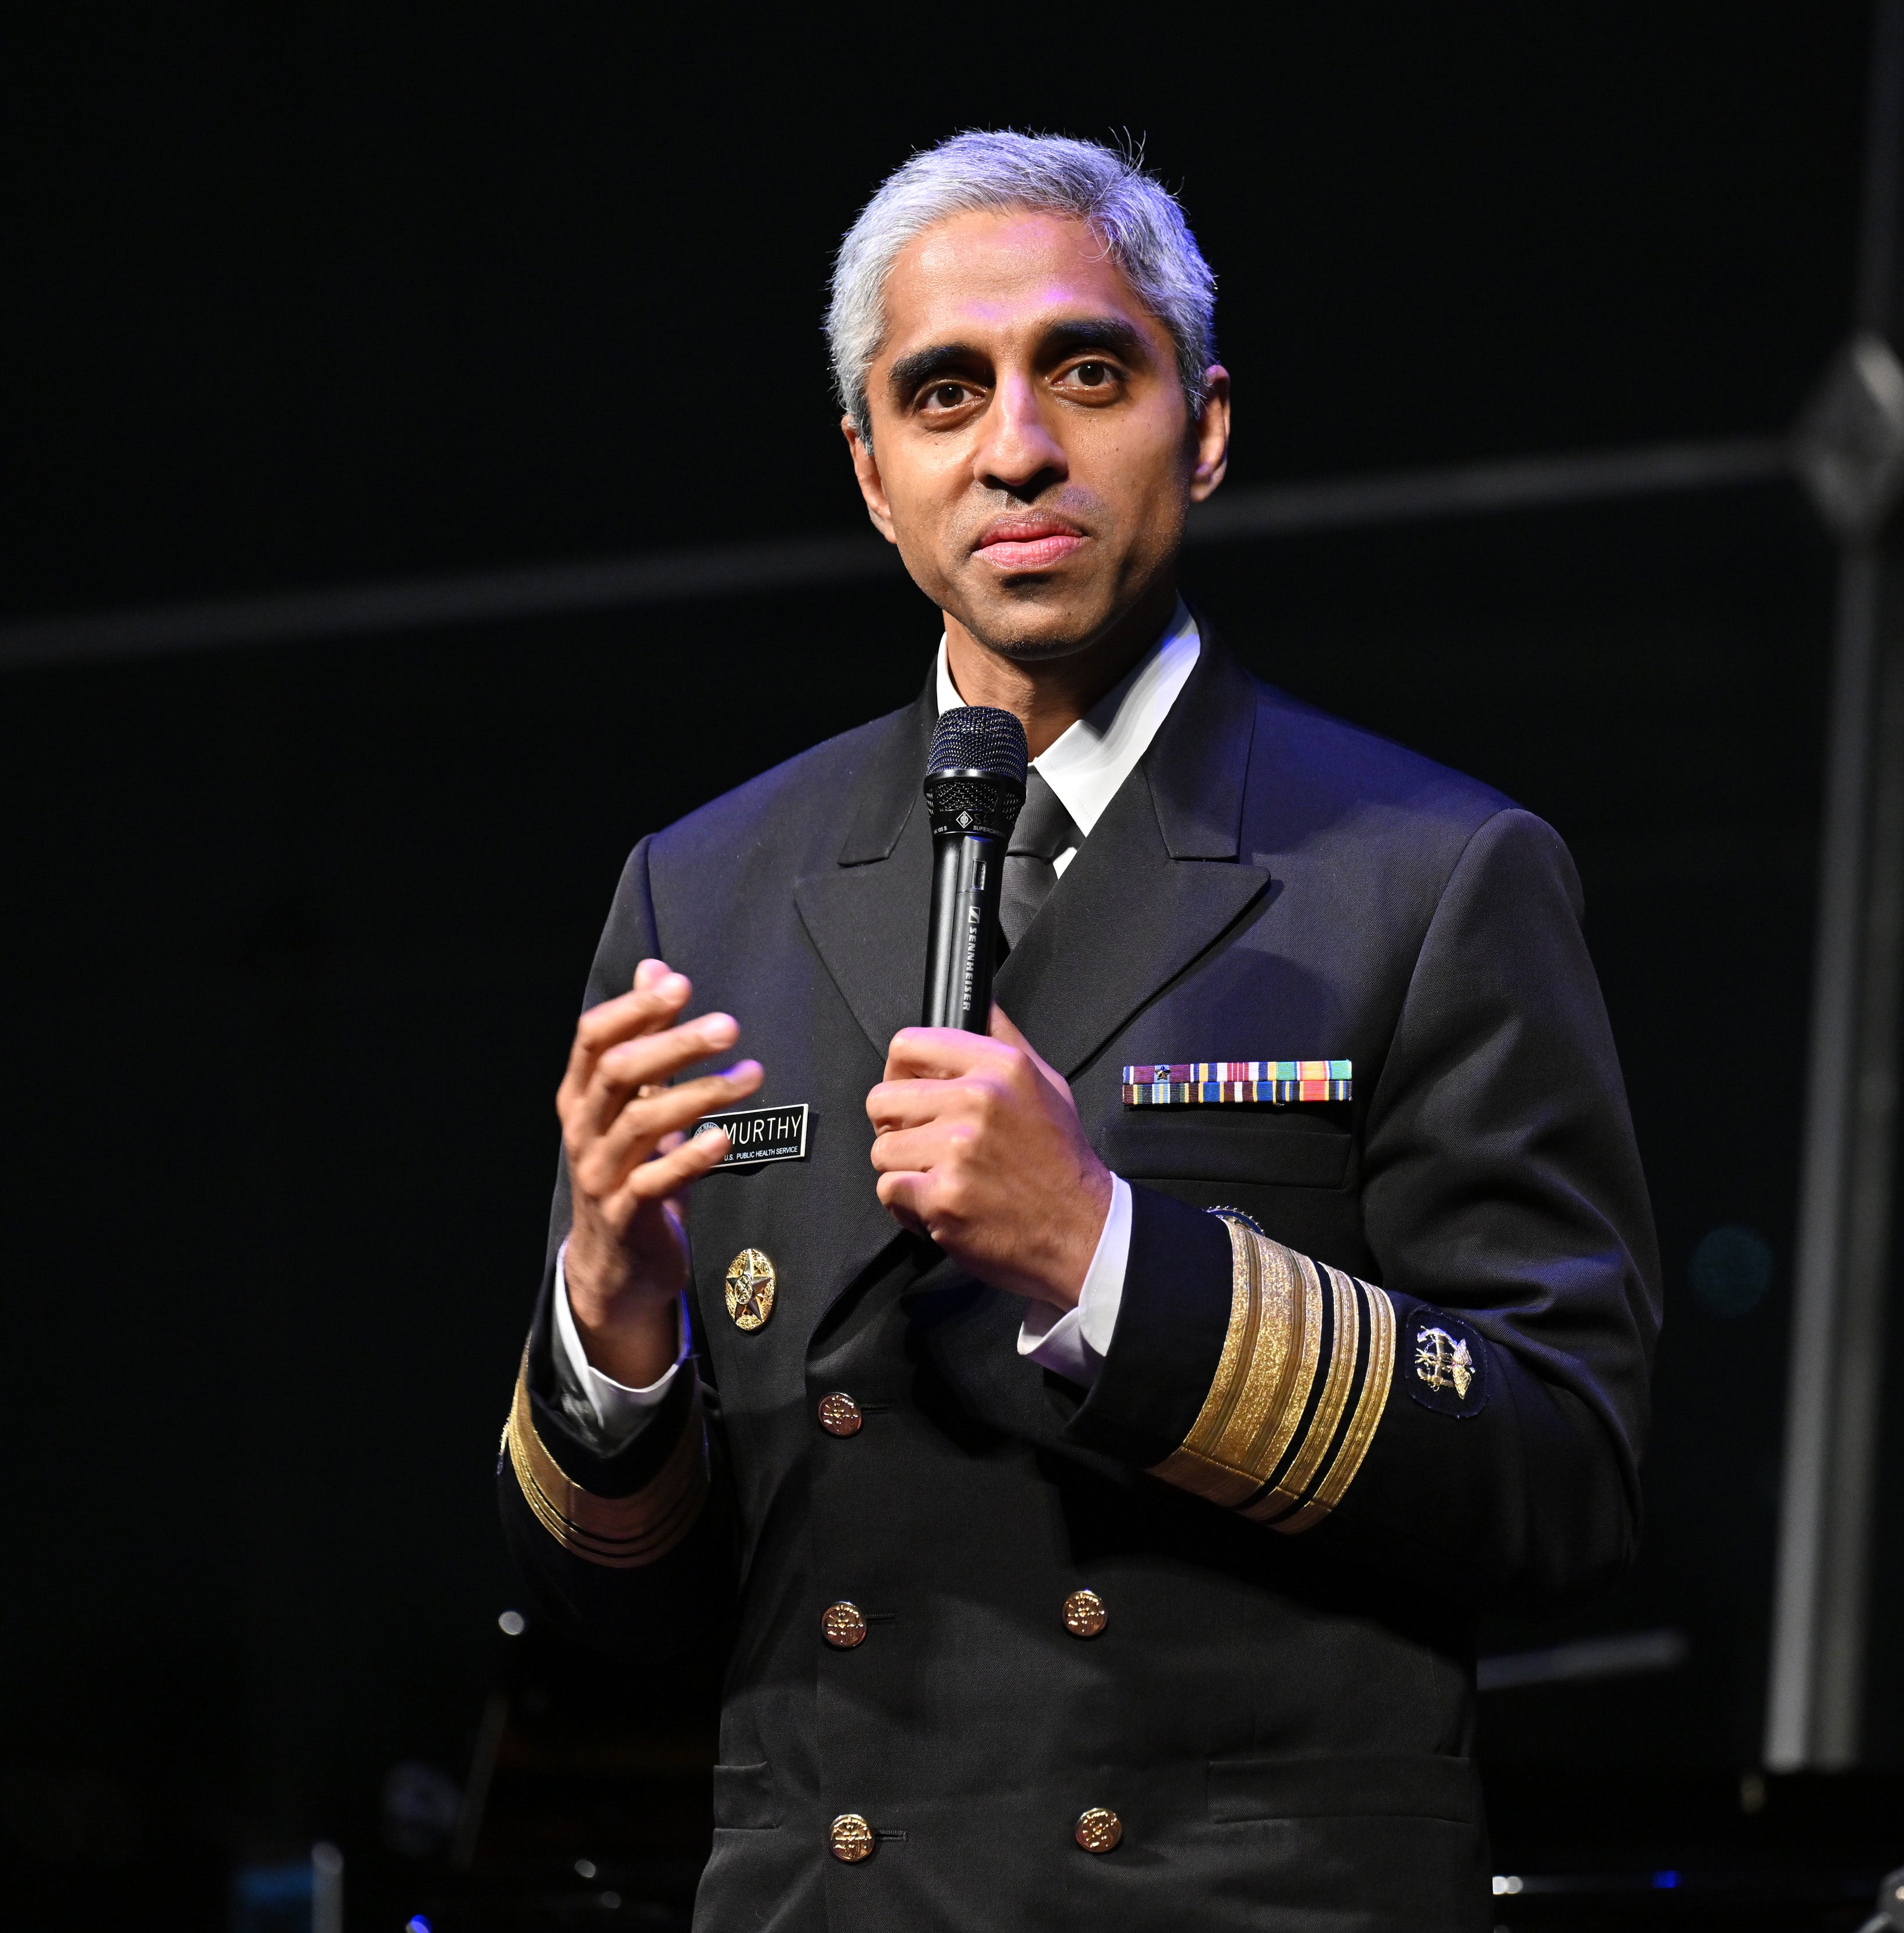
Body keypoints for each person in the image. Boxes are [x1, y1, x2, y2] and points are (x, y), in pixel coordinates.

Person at [499, 130, 1662, 1930]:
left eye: (1087, 372)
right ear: (874, 476)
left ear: (1201, 424)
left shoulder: (1429, 873)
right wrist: (612, 1325)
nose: (1017, 446)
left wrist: (1106, 1260)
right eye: (944, 393)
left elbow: (1570, 1473)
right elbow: (614, 1618)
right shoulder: (699, 889)